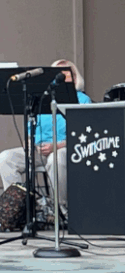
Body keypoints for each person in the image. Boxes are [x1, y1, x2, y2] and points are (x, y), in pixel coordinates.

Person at [0, 59, 92, 222]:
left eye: (65, 74)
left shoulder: (82, 100)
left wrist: (57, 145)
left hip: (67, 149)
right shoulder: (42, 99)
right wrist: (28, 143)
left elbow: (84, 134)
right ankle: (19, 209)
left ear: (75, 77)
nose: (60, 78)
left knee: (55, 158)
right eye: (56, 74)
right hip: (38, 149)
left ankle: (59, 210)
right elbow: (30, 130)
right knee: (6, 158)